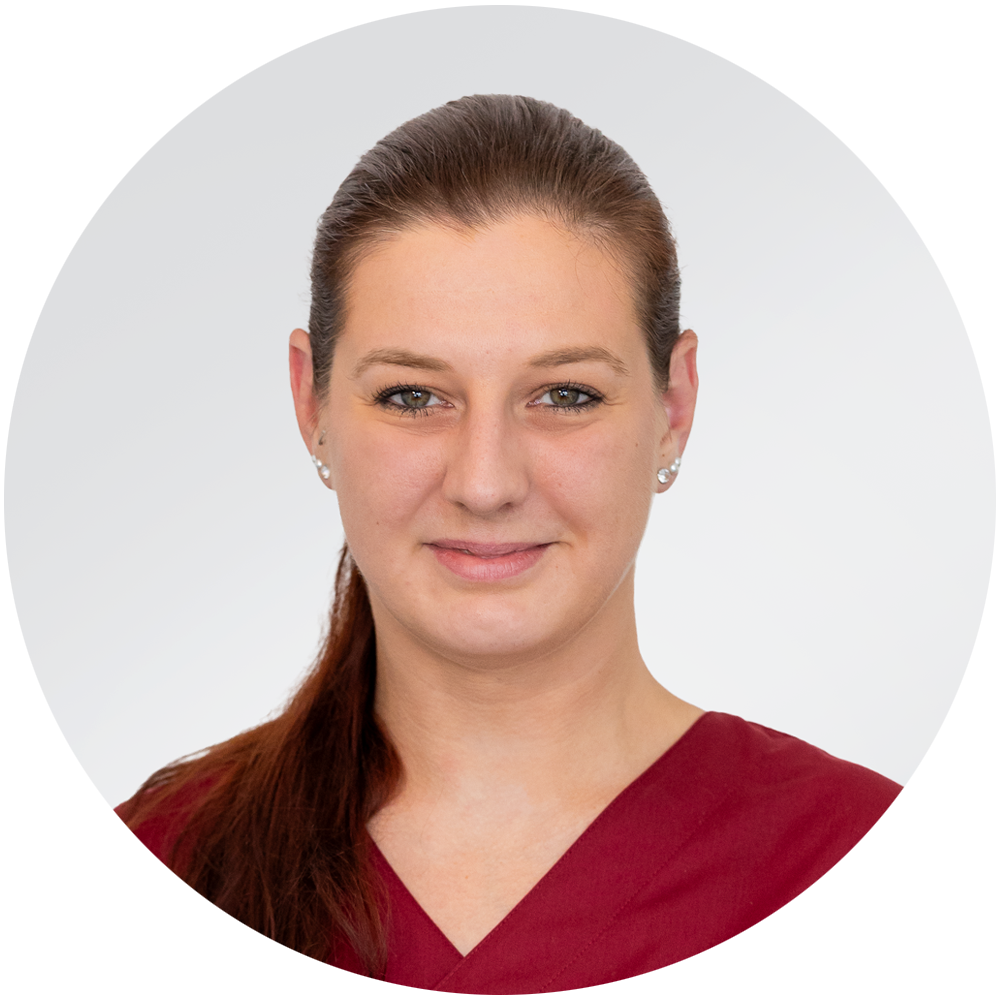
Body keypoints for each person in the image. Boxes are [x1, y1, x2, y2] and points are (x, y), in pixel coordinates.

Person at [116, 94, 901, 992]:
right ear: (311, 403)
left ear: (674, 407)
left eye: (565, 395)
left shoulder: (863, 863)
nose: (485, 483)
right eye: (413, 396)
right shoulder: (157, 864)